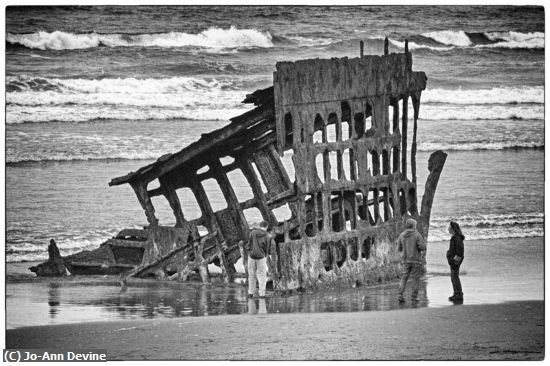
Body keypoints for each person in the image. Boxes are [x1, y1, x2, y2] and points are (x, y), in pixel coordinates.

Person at [397, 218, 426, 303]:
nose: (416, 227)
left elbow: (399, 248)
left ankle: (400, 295)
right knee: (415, 279)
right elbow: (423, 247)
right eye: (415, 225)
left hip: (405, 260)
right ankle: (414, 297)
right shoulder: (417, 235)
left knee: (404, 277)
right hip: (416, 260)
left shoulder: (401, 235)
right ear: (413, 226)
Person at [246, 221, 273, 298]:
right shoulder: (267, 236)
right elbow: (267, 249)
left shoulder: (253, 233)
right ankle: (262, 294)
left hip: (251, 257)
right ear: (266, 227)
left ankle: (251, 293)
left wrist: (250, 251)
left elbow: (249, 244)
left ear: (259, 226)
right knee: (262, 276)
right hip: (261, 257)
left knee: (251, 274)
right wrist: (264, 254)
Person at [447, 221, 465, 301]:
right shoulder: (455, 237)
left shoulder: (457, 238)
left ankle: (458, 294)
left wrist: (455, 261)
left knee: (455, 277)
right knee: (453, 277)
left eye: (449, 227)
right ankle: (456, 293)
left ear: (453, 229)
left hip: (455, 261)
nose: (448, 229)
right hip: (453, 260)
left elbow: (460, 251)